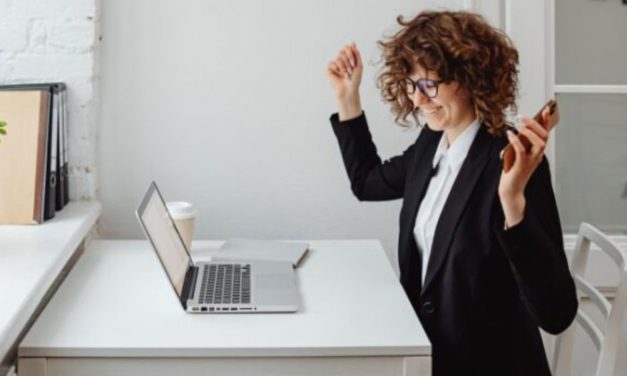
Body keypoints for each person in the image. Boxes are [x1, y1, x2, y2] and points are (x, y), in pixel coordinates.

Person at [326, 10, 577, 376]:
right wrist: (348, 98)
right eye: (411, 85)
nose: (417, 99)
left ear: (469, 76)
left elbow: (556, 313)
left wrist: (512, 202)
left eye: (428, 84)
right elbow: (367, 182)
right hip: (426, 355)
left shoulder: (514, 163)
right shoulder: (431, 143)